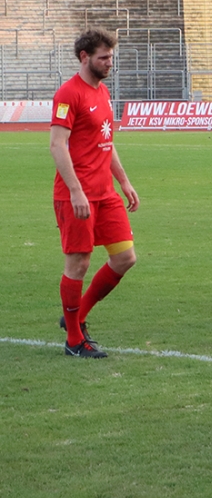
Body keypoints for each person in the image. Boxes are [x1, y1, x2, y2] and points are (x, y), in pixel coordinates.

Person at [50, 28, 139, 359]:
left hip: (105, 193)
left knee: (125, 257)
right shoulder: (68, 94)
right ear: (84, 57)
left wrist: (124, 181)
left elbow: (107, 142)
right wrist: (75, 191)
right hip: (78, 194)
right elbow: (57, 146)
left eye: (111, 57)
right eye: (103, 57)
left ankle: (77, 316)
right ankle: (74, 340)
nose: (109, 63)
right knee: (79, 262)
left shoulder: (102, 92)